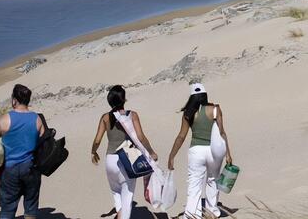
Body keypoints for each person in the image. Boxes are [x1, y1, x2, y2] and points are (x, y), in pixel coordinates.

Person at [91, 85, 158, 219]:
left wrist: (93, 151)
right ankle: (122, 215)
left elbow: (97, 139)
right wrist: (151, 151)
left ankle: (119, 213)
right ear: (124, 99)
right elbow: (141, 137)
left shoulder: (105, 117)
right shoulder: (132, 115)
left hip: (110, 160)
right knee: (127, 197)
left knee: (116, 192)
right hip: (126, 159)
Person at [168, 83, 233, 219]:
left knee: (194, 184)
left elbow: (181, 136)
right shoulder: (215, 110)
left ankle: (192, 215)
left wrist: (172, 156)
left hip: (196, 151)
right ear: (205, 95)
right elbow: (222, 133)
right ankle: (212, 212)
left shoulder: (189, 113)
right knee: (213, 180)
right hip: (214, 151)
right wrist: (228, 154)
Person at [0, 84, 45, 219]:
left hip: (9, 170)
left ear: (14, 100)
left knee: (7, 209)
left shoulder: (5, 119)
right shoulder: (37, 119)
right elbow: (42, 141)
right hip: (31, 168)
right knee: (31, 207)